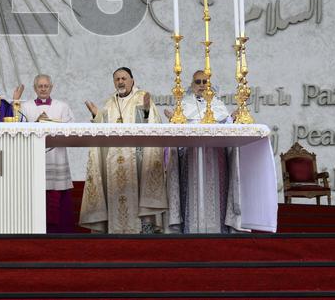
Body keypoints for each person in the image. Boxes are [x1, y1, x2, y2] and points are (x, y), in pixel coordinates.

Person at [79, 66, 178, 233]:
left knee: (141, 186)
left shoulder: (142, 98)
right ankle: (113, 228)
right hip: (113, 160)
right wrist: (97, 116)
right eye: (117, 79)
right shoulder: (110, 103)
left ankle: (145, 227)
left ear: (132, 80)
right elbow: (104, 129)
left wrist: (146, 111)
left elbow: (151, 124)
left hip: (137, 157)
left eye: (124, 78)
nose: (120, 82)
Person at [165, 70, 240, 233]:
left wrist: (231, 119)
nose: (201, 85)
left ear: (209, 85)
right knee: (191, 193)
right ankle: (190, 230)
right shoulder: (184, 105)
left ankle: (218, 230)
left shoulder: (218, 105)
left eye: (204, 82)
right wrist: (173, 120)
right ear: (192, 85)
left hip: (215, 157)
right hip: (191, 159)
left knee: (216, 194)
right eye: (197, 82)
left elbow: (225, 128)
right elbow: (180, 130)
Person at [19, 74, 75, 232]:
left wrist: (51, 124)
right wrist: (36, 124)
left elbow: (71, 128)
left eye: (46, 86)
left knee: (57, 190)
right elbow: (19, 130)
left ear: (51, 87)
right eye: (40, 86)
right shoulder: (26, 107)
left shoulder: (62, 106)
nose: (43, 89)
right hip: (34, 157)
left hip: (57, 155)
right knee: (36, 190)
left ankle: (60, 229)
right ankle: (34, 227)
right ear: (35, 88)